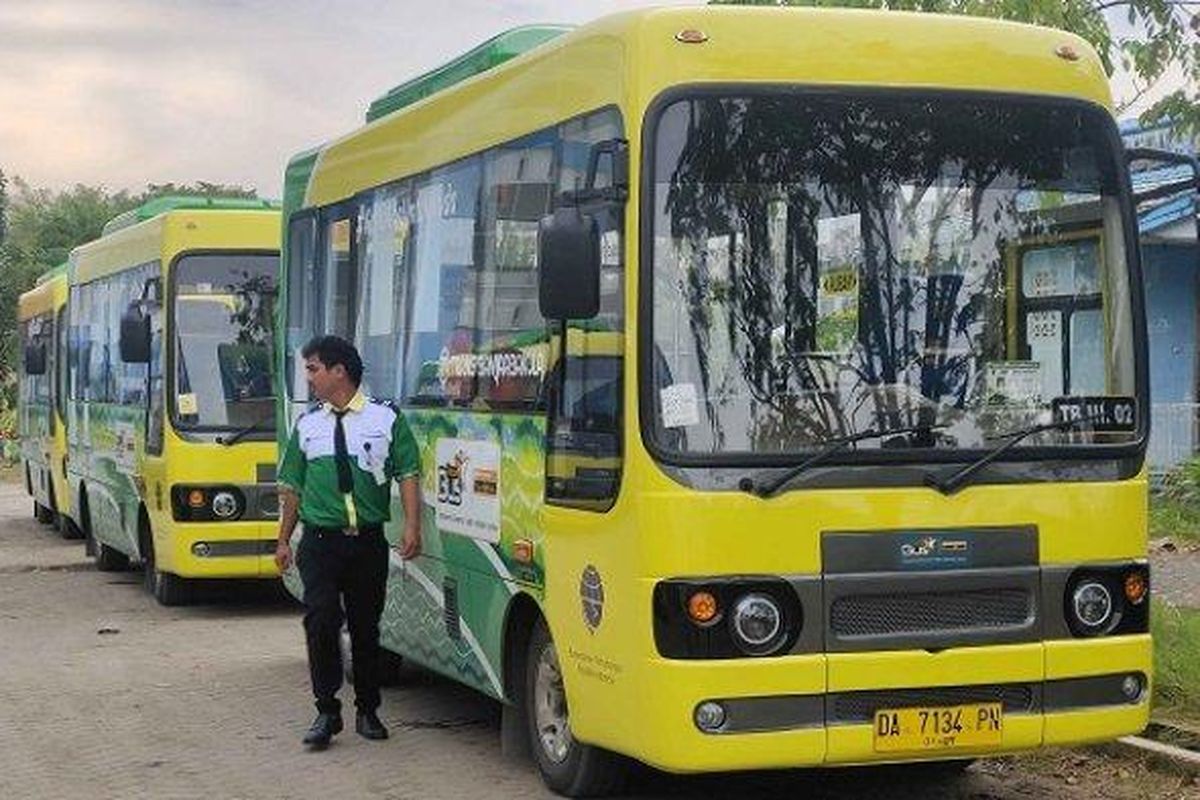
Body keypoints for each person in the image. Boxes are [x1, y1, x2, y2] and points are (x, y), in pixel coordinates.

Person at [274, 335, 422, 749]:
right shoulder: (307, 425)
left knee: (365, 626)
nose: (309, 378)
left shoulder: (385, 420)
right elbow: (291, 488)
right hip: (320, 543)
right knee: (320, 620)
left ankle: (368, 709)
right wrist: (283, 540)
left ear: (339, 371)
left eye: (313, 369)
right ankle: (326, 710)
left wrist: (412, 526)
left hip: (367, 544)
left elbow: (408, 473)